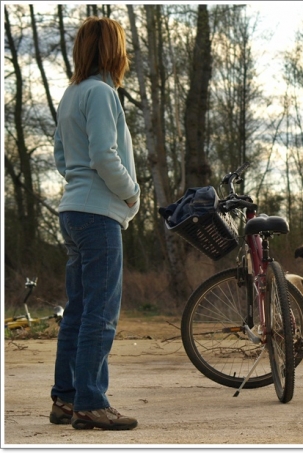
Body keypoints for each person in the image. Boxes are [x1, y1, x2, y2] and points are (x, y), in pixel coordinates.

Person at [49, 16, 140, 430]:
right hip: (98, 214)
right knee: (99, 314)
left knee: (78, 311)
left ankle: (66, 400)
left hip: (72, 211)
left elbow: (62, 159)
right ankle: (91, 401)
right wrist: (131, 193)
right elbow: (105, 157)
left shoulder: (72, 94)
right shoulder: (102, 93)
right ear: (113, 51)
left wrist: (84, 183)